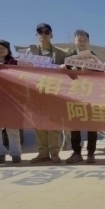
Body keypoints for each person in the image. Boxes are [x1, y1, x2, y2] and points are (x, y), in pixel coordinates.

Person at [25, 23, 68, 163]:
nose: (43, 34)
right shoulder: (30, 52)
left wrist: (64, 67)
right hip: (35, 92)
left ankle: (54, 153)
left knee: (54, 124)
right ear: (36, 34)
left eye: (46, 32)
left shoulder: (60, 53)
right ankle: (42, 153)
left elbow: (69, 70)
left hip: (54, 92)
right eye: (40, 32)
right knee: (39, 124)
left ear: (51, 35)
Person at [64, 30, 100, 164]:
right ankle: (77, 152)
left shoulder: (94, 57)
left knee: (92, 125)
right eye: (79, 39)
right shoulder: (70, 57)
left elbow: (101, 74)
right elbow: (63, 76)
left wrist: (90, 72)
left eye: (85, 40)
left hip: (91, 95)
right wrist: (67, 70)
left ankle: (91, 153)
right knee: (75, 125)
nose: (82, 42)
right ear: (75, 41)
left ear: (89, 42)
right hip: (74, 95)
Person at [0, 39, 22, 164]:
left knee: (12, 127)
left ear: (8, 50)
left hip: (12, 100)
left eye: (3, 47)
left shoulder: (16, 63)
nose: (0, 50)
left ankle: (16, 154)